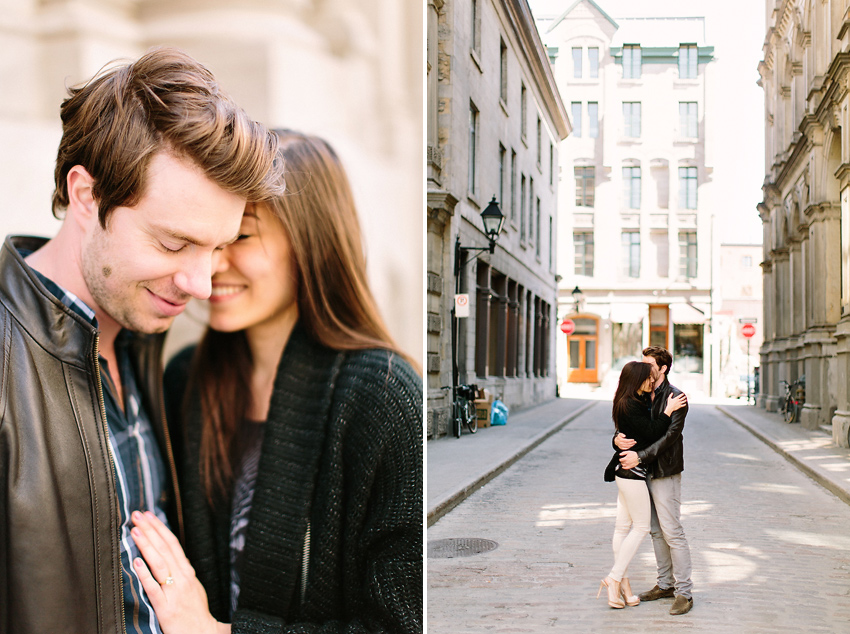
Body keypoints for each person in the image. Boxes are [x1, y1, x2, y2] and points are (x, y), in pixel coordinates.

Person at [0, 48, 283, 634]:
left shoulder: (145, 337)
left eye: (217, 247)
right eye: (175, 244)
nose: (201, 285)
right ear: (87, 196)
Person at [129, 129, 423, 634]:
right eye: (208, 239)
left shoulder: (382, 398)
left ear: (311, 243)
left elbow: (399, 624)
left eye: (239, 237)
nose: (211, 264)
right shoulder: (185, 381)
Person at [599, 361, 687, 609]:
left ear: (663, 368)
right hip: (632, 473)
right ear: (636, 379)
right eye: (645, 375)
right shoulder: (631, 403)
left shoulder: (634, 399)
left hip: (627, 470)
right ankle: (614, 578)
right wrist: (667, 411)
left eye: (652, 371)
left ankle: (623, 587)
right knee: (640, 528)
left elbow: (632, 433)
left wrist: (618, 440)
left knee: (622, 528)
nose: (650, 378)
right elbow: (650, 432)